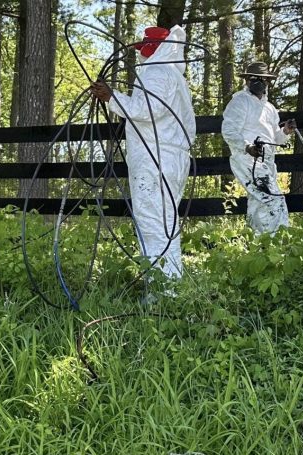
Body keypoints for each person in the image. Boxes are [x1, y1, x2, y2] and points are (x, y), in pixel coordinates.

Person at [90, 24, 196, 282]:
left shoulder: (156, 72)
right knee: (165, 220)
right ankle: (171, 282)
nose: (141, 54)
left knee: (152, 222)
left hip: (155, 158)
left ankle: (162, 289)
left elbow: (147, 110)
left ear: (151, 50)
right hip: (170, 157)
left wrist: (111, 98)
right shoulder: (173, 75)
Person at [221, 61, 296, 234]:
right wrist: (247, 147)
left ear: (267, 82)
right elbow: (229, 130)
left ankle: (256, 243)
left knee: (258, 202)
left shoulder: (270, 109)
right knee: (273, 200)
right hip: (248, 159)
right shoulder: (240, 101)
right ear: (247, 80)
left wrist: (285, 131)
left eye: (262, 79)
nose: (258, 82)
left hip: (267, 161)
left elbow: (274, 138)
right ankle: (277, 242)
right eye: (253, 78)